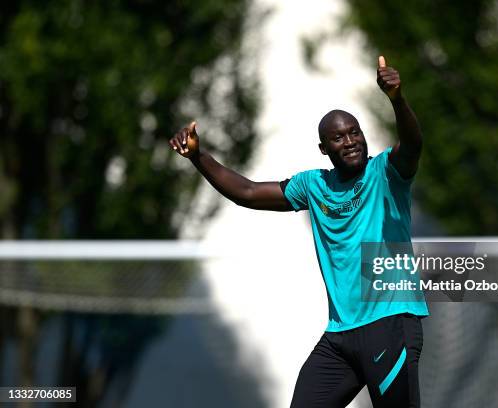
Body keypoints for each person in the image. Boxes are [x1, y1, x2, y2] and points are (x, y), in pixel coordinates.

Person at [169, 56, 428, 408]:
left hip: (390, 324)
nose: (350, 141)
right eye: (338, 137)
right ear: (324, 149)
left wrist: (397, 98)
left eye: (355, 133)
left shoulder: (386, 173)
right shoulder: (314, 185)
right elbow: (247, 192)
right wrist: (199, 157)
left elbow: (412, 144)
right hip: (340, 336)